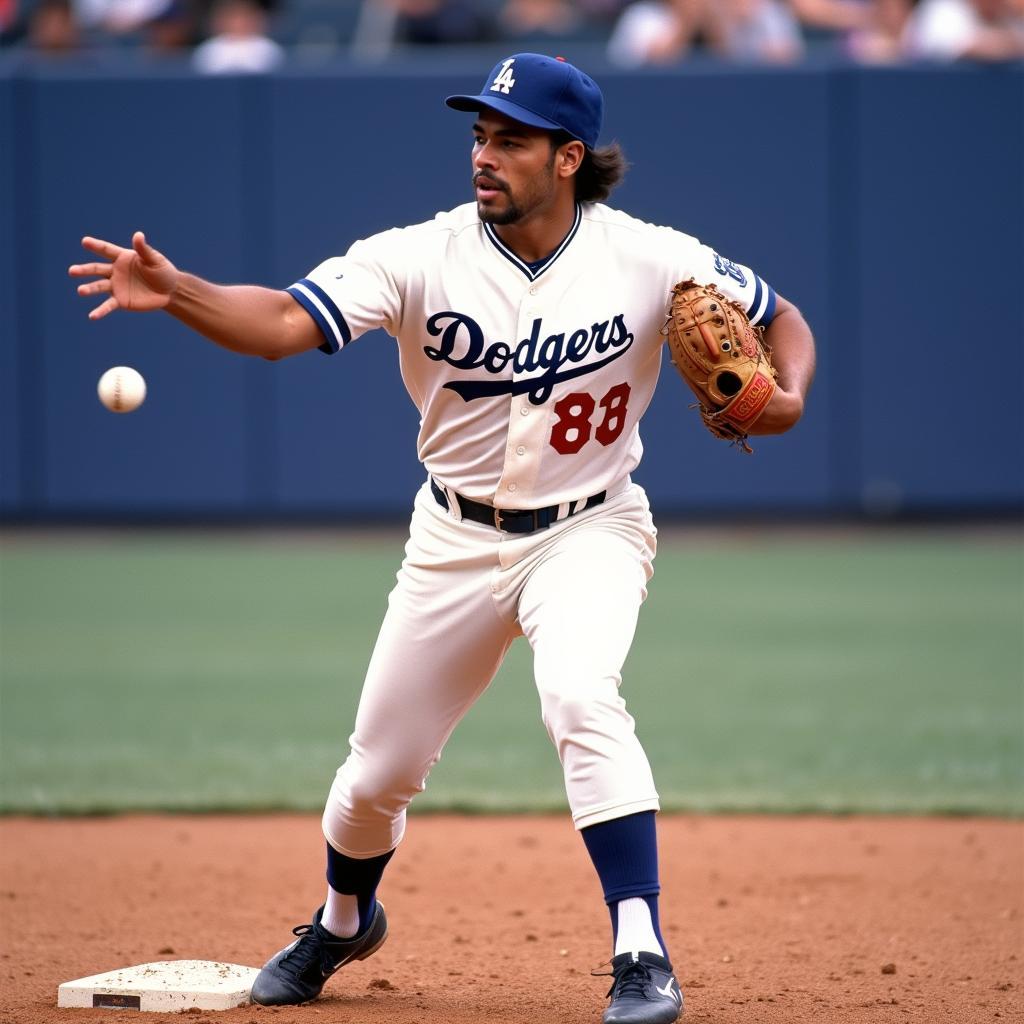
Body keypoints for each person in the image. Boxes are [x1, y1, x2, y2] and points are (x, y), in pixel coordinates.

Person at [69, 53, 815, 1024]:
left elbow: (781, 316)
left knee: (581, 693)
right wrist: (182, 292)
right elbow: (286, 323)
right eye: (478, 134)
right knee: (376, 774)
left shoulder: (650, 254)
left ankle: (640, 949)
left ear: (566, 157)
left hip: (590, 529)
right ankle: (342, 920)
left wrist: (784, 400)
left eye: (510, 139)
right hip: (452, 541)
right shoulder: (415, 255)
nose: (483, 154)